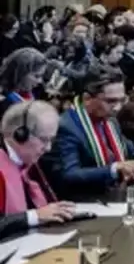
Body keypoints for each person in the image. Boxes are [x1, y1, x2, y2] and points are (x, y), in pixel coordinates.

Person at [44, 65, 134, 199]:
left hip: (114, 196)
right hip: (86, 200)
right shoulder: (66, 127)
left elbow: (129, 151)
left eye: (122, 100)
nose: (118, 107)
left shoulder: (110, 120)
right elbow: (69, 175)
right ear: (87, 99)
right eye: (111, 101)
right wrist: (115, 168)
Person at [0, 101, 78, 238]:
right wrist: (35, 216)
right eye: (44, 139)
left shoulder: (32, 163)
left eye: (51, 140)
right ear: (20, 135)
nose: (48, 148)